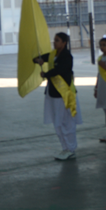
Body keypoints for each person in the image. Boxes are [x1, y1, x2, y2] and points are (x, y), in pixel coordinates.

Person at [33, 32, 82, 160]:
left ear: (64, 43)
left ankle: (71, 149)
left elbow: (60, 70)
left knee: (67, 122)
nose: (54, 42)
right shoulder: (52, 55)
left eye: (57, 40)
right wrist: (38, 60)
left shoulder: (67, 56)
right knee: (58, 122)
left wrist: (46, 74)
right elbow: (36, 58)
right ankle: (65, 148)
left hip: (64, 94)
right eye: (54, 40)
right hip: (53, 93)